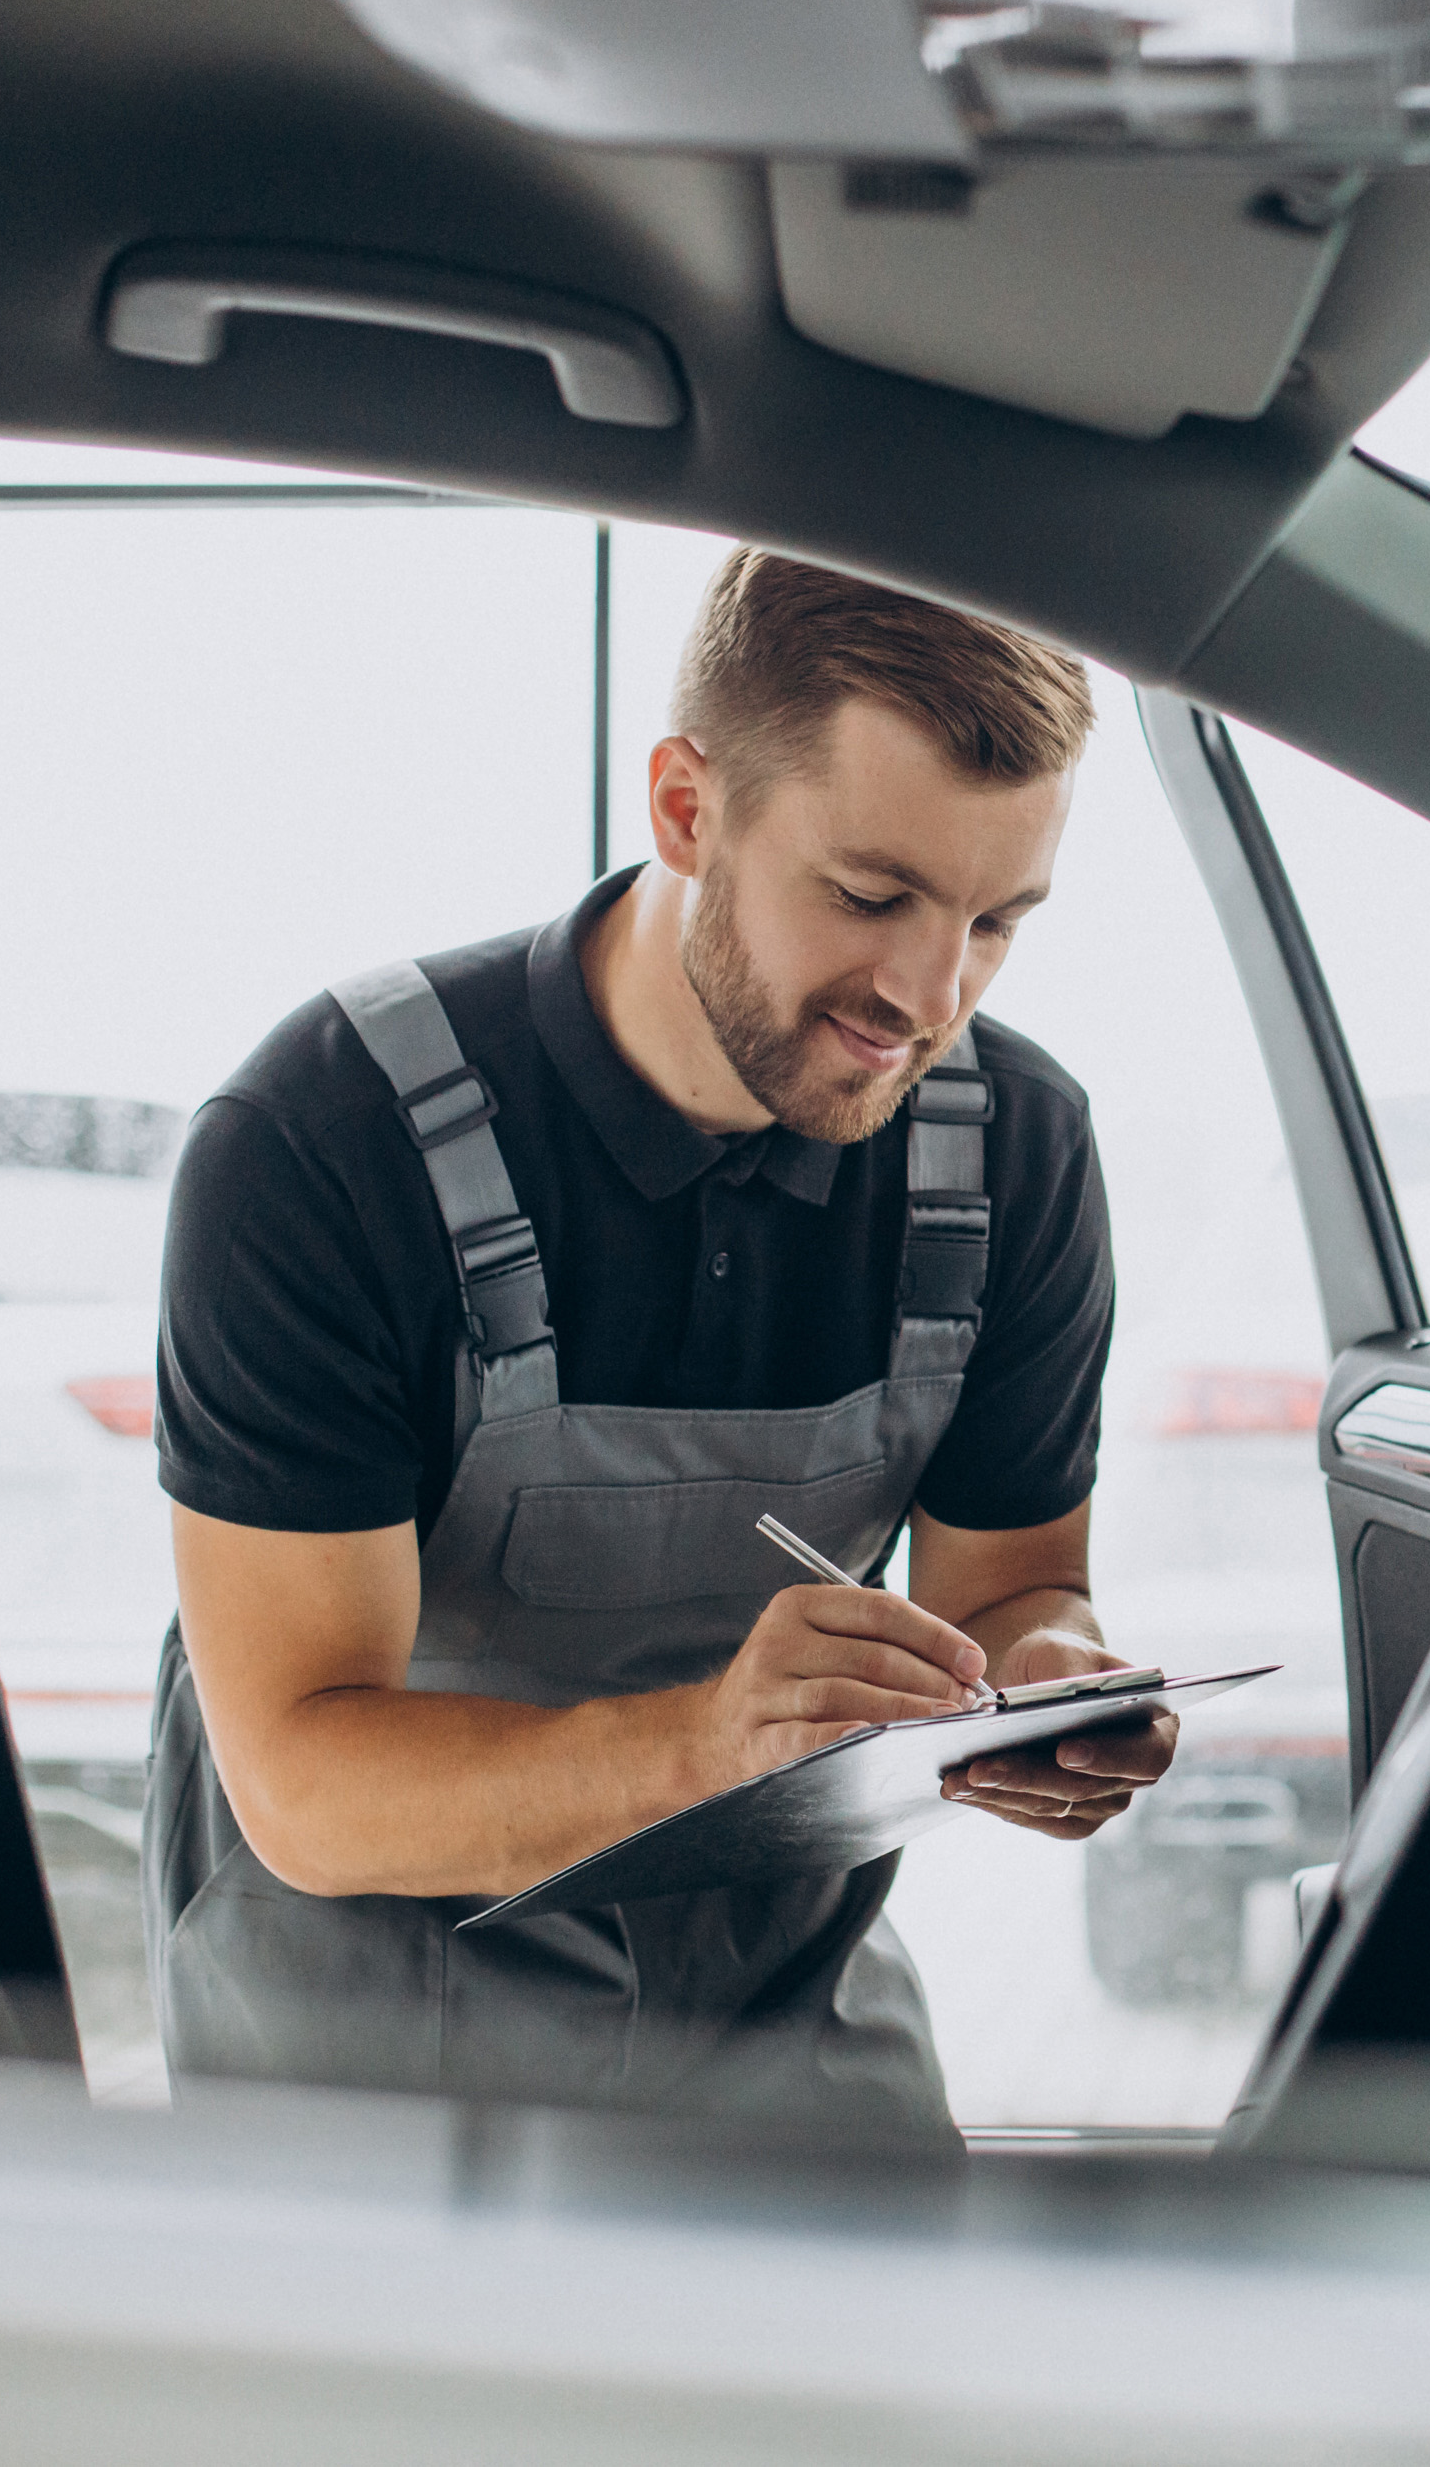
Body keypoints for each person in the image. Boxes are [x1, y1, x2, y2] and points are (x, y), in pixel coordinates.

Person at [140, 549, 1164, 2128]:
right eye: (872, 895)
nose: (927, 992)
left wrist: (1051, 1689)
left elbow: (1016, 1581)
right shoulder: (320, 1143)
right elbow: (304, 1781)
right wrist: (704, 1738)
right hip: (363, 2067)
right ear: (688, 808)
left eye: (997, 921)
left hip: (780, 2025)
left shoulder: (1011, 1148)